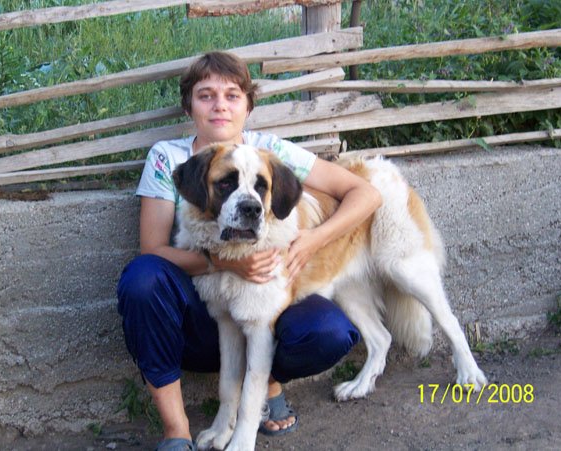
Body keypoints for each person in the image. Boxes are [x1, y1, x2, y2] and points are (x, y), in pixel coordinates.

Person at [117, 51, 382, 451]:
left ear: (248, 106)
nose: (220, 105)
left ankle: (268, 386)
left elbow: (366, 194)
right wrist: (221, 263)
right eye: (206, 95)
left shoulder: (270, 153)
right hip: (197, 313)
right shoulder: (168, 158)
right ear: (189, 106)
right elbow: (152, 250)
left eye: (232, 95)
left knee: (329, 330)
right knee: (142, 280)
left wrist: (313, 239)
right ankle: (176, 431)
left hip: (263, 306)